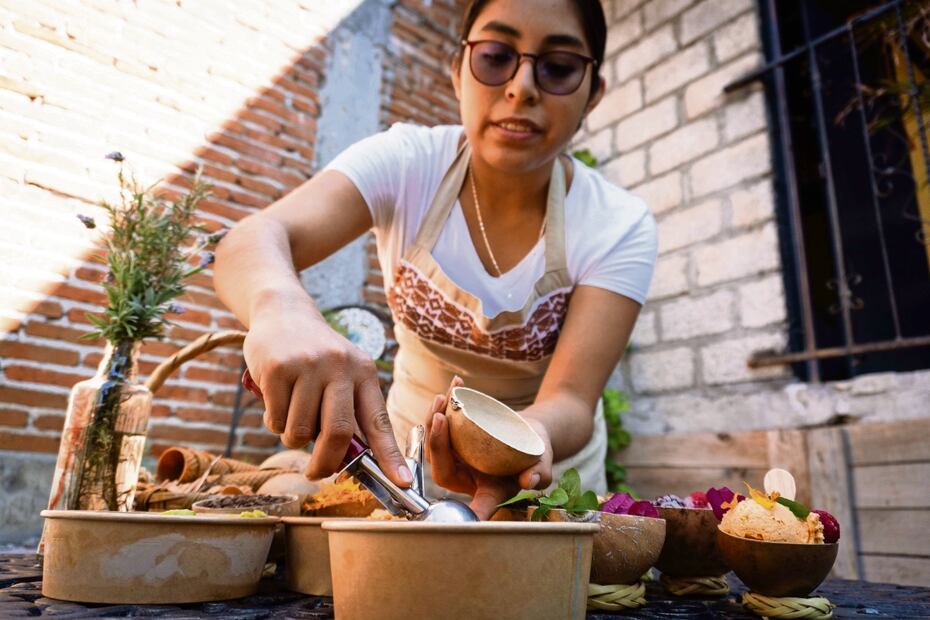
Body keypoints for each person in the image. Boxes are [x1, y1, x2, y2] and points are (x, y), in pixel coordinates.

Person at [214, 0, 657, 520]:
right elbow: (254, 236)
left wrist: (521, 445)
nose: (521, 88)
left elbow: (573, 401)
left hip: (541, 475)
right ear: (457, 71)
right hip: (402, 466)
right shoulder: (407, 164)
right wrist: (282, 309)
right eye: (495, 56)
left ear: (593, 94)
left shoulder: (617, 223)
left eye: (558, 67)